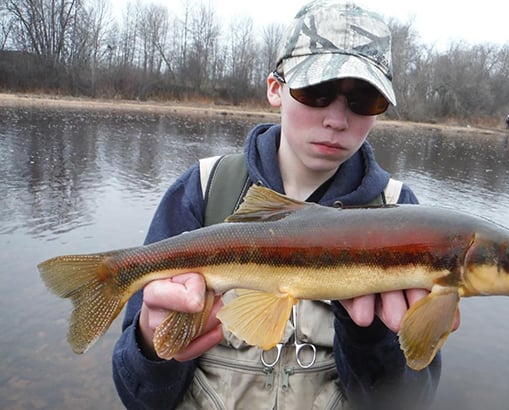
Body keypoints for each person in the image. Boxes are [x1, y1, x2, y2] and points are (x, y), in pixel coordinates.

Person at [112, 1, 459, 409]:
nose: (336, 119)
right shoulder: (204, 189)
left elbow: (404, 404)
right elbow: (139, 398)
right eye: (316, 91)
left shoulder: (404, 215)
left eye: (364, 100)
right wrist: (152, 345)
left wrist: (371, 337)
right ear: (276, 88)